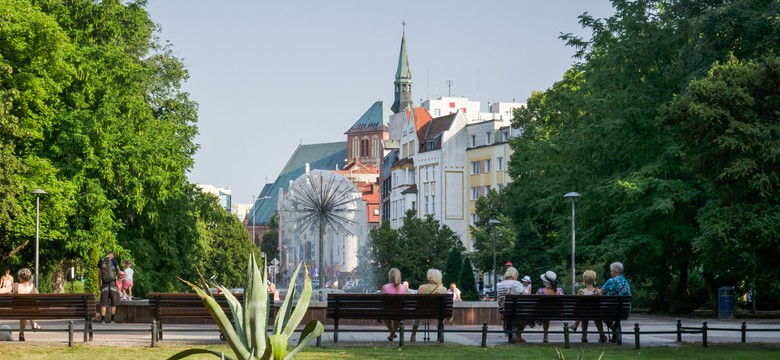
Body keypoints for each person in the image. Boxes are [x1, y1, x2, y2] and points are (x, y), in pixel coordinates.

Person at [0, 268, 40, 341]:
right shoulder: (34, 290)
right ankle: (25, 330)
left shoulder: (15, 286)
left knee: (24, 311)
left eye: (18, 276)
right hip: (28, 313)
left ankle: (22, 333)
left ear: (21, 277)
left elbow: (2, 291)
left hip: (15, 312)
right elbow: (38, 304)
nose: (18, 277)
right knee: (26, 311)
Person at [569, 270, 607, 343]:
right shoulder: (598, 291)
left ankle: (584, 335)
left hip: (584, 314)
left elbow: (577, 304)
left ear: (584, 280)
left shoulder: (581, 291)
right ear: (594, 280)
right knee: (595, 315)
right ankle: (602, 335)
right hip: (596, 313)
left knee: (584, 313)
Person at [411, 269, 448, 342]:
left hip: (422, 311)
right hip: (437, 312)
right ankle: (440, 335)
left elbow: (418, 301)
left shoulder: (421, 287)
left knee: (417, 314)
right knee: (440, 316)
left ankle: (413, 334)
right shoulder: (443, 289)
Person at [599, 262, 631, 342]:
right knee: (606, 316)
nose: (610, 272)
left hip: (611, 310)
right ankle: (615, 334)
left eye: (611, 271)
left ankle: (606, 335)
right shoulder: (625, 281)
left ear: (614, 271)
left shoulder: (611, 281)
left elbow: (600, 293)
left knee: (599, 315)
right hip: (624, 310)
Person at [496, 267, 525, 341]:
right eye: (517, 275)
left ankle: (511, 332)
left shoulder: (499, 284)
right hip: (517, 310)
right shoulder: (517, 283)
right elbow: (524, 296)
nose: (517, 276)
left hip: (503, 309)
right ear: (514, 274)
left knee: (510, 314)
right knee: (524, 316)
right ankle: (518, 335)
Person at [536, 270, 564, 343]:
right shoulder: (560, 291)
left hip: (544, 313)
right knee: (547, 312)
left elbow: (535, 302)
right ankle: (545, 333)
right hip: (557, 313)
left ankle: (545, 334)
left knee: (545, 313)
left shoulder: (540, 291)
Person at [381, 268, 407, 341]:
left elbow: (381, 302)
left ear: (390, 276)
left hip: (387, 312)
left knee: (386, 317)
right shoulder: (404, 288)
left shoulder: (384, 287)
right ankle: (392, 334)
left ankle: (392, 334)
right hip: (400, 312)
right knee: (398, 317)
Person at [97, 251, 123, 323]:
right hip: (113, 284)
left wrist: (99, 284)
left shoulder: (101, 261)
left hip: (104, 283)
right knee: (113, 302)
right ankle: (112, 320)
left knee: (103, 303)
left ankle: (103, 320)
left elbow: (99, 274)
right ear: (112, 255)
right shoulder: (114, 260)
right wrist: (120, 278)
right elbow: (119, 272)